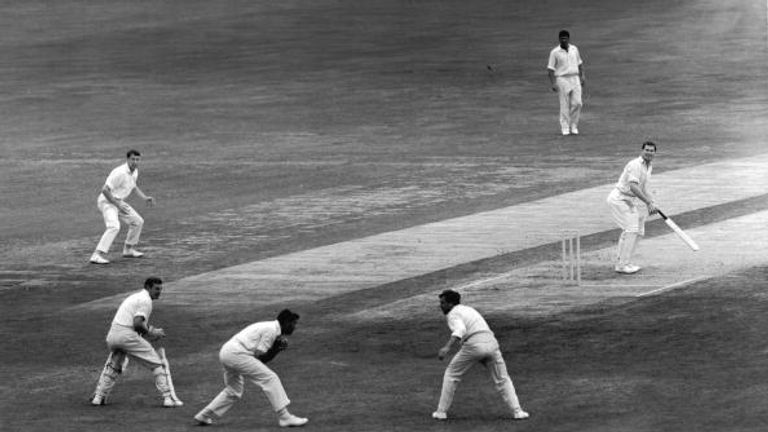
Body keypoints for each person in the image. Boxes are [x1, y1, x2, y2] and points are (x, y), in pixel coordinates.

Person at [193, 309, 308, 428]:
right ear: (285, 322)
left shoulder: (269, 327)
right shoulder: (271, 330)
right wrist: (276, 349)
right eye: (293, 323)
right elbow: (260, 359)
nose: (295, 327)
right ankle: (285, 417)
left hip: (227, 352)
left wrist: (276, 349)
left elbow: (259, 360)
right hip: (237, 354)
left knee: (233, 391)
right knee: (270, 378)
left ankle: (204, 415)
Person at [432, 290, 529, 421]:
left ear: (450, 303)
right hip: (492, 343)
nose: (440, 306)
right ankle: (518, 412)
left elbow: (460, 330)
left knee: (451, 374)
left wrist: (447, 347)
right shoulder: (469, 309)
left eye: (443, 303)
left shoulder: (453, 314)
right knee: (503, 379)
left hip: (474, 345)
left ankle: (441, 412)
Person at [91, 277, 183, 407]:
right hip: (126, 336)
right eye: (156, 289)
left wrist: (149, 331)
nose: (159, 292)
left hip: (112, 336)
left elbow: (135, 323)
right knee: (157, 363)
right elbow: (138, 324)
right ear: (148, 287)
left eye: (161, 289)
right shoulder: (146, 300)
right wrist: (152, 332)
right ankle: (168, 398)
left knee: (115, 364)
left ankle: (98, 397)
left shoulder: (134, 297)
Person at [89, 149, 155, 264]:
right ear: (127, 159)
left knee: (137, 221)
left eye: (137, 159)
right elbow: (104, 190)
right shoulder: (120, 172)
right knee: (114, 226)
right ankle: (96, 255)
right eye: (133, 159)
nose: (135, 162)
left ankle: (128, 249)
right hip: (107, 202)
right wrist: (117, 204)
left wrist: (145, 197)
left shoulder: (134, 171)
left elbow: (133, 186)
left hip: (118, 202)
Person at [606, 141, 658, 274]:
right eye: (647, 150)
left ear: (655, 153)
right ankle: (621, 265)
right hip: (620, 199)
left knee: (639, 231)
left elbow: (643, 187)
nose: (649, 152)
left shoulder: (649, 166)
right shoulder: (635, 165)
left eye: (652, 150)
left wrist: (652, 201)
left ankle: (626, 261)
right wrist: (648, 202)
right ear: (642, 151)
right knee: (631, 229)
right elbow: (633, 187)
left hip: (630, 201)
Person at [547, 29, 585, 136]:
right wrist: (553, 83)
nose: (563, 40)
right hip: (562, 79)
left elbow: (580, 63)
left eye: (565, 38)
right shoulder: (554, 52)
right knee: (564, 104)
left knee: (578, 103)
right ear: (559, 39)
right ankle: (565, 127)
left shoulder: (574, 49)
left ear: (568, 39)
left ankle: (573, 125)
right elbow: (550, 69)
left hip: (575, 78)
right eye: (562, 39)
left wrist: (583, 76)